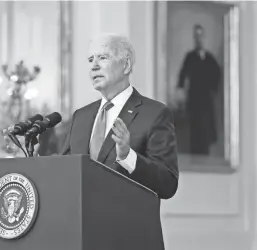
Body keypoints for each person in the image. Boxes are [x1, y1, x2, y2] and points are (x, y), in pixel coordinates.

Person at [60, 33, 179, 199]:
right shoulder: (81, 117)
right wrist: (37, 159)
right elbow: (64, 173)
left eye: (102, 57)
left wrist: (127, 156)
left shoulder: (154, 114)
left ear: (126, 64)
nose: (94, 66)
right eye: (90, 60)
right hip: (82, 223)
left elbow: (168, 184)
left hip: (127, 223)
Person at [177, 24, 221, 155]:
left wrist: (213, 89)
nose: (198, 39)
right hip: (194, 100)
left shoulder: (210, 58)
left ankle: (204, 157)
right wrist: (180, 93)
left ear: (204, 38)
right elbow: (181, 76)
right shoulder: (189, 57)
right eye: (196, 36)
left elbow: (217, 75)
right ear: (194, 38)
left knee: (206, 131)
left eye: (200, 36)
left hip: (206, 101)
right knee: (195, 131)